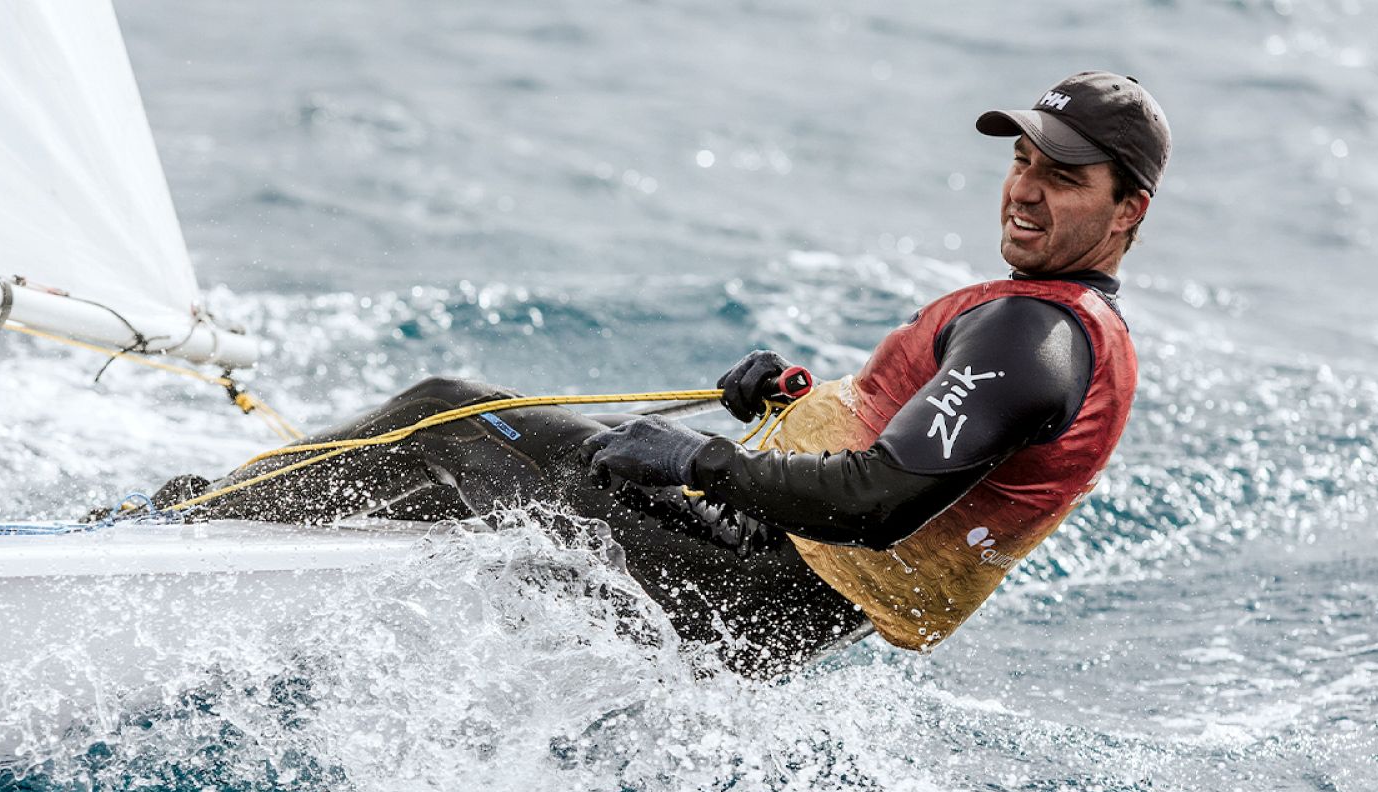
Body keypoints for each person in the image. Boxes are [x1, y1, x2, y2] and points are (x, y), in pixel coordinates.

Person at [164, 71, 1169, 679]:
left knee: (448, 421)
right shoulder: (1055, 331)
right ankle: (251, 554)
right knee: (492, 471)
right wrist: (791, 401)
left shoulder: (1037, 341)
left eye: (1062, 177)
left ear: (1126, 210)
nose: (1025, 189)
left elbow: (878, 502)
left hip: (755, 582)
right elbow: (919, 447)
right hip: (775, 585)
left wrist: (703, 462)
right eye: (1021, 160)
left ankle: (174, 542)